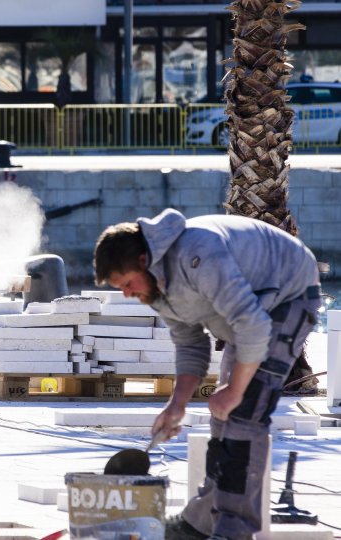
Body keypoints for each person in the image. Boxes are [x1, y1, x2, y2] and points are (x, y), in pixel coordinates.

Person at [93, 208, 320, 540]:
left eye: (127, 284)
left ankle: (233, 529)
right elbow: (190, 345)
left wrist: (235, 389)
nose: (127, 294)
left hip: (289, 293)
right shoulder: (154, 288)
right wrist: (176, 406)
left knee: (245, 413)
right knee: (222, 417)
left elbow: (253, 326)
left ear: (144, 260)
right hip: (250, 312)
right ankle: (199, 523)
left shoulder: (198, 254)